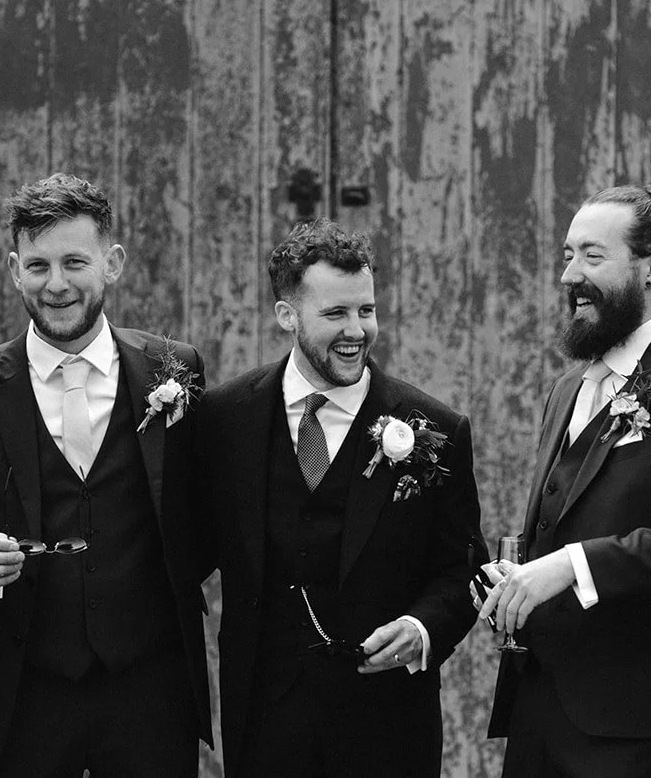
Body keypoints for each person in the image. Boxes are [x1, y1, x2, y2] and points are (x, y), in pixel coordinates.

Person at [0, 173, 211, 777]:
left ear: (112, 263)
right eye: (37, 265)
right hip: (21, 689)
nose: (56, 285)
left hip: (149, 690)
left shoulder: (174, 370)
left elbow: (203, 508)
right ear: (13, 269)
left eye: (75, 261)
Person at [480, 180, 651, 777]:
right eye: (567, 255)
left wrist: (568, 567)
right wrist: (519, 574)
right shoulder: (568, 389)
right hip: (538, 706)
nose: (568, 276)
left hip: (635, 719)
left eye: (592, 256)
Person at [199, 220, 483, 778]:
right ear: (288, 316)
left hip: (387, 725)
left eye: (366, 311)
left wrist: (423, 628)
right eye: (336, 315)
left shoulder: (435, 427)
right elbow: (188, 547)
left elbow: (463, 568)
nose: (357, 330)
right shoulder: (226, 417)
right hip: (264, 721)